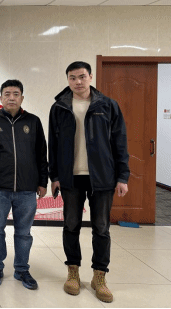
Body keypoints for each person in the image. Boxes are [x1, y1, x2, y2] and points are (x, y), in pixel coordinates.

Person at [49, 61, 130, 304]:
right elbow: (53, 144)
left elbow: (120, 142)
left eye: (82, 76)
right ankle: (73, 272)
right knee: (71, 225)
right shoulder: (59, 107)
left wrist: (122, 176)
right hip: (71, 177)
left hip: (102, 176)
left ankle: (99, 276)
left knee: (101, 228)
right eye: (72, 77)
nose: (78, 82)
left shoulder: (108, 105)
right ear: (67, 80)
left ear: (91, 77)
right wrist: (55, 176)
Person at [0, 80, 48, 290]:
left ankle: (21, 269)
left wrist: (42, 181)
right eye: (7, 94)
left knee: (24, 233)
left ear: (22, 97)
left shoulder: (33, 121)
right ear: (0, 98)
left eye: (16, 94)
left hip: (27, 189)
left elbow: (41, 154)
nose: (11, 98)